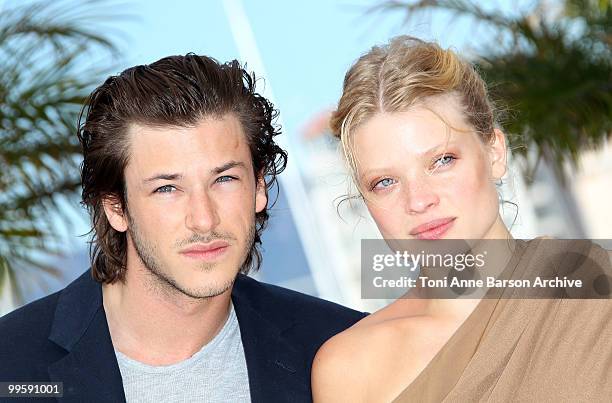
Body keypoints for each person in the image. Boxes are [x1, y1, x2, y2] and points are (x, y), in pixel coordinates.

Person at [0, 54, 366, 403]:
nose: (204, 220)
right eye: (167, 188)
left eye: (223, 179)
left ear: (259, 188)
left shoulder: (341, 346)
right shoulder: (10, 365)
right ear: (116, 207)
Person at [312, 36, 612, 402]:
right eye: (385, 182)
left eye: (442, 161)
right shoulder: (350, 367)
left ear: (495, 152)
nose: (419, 200)